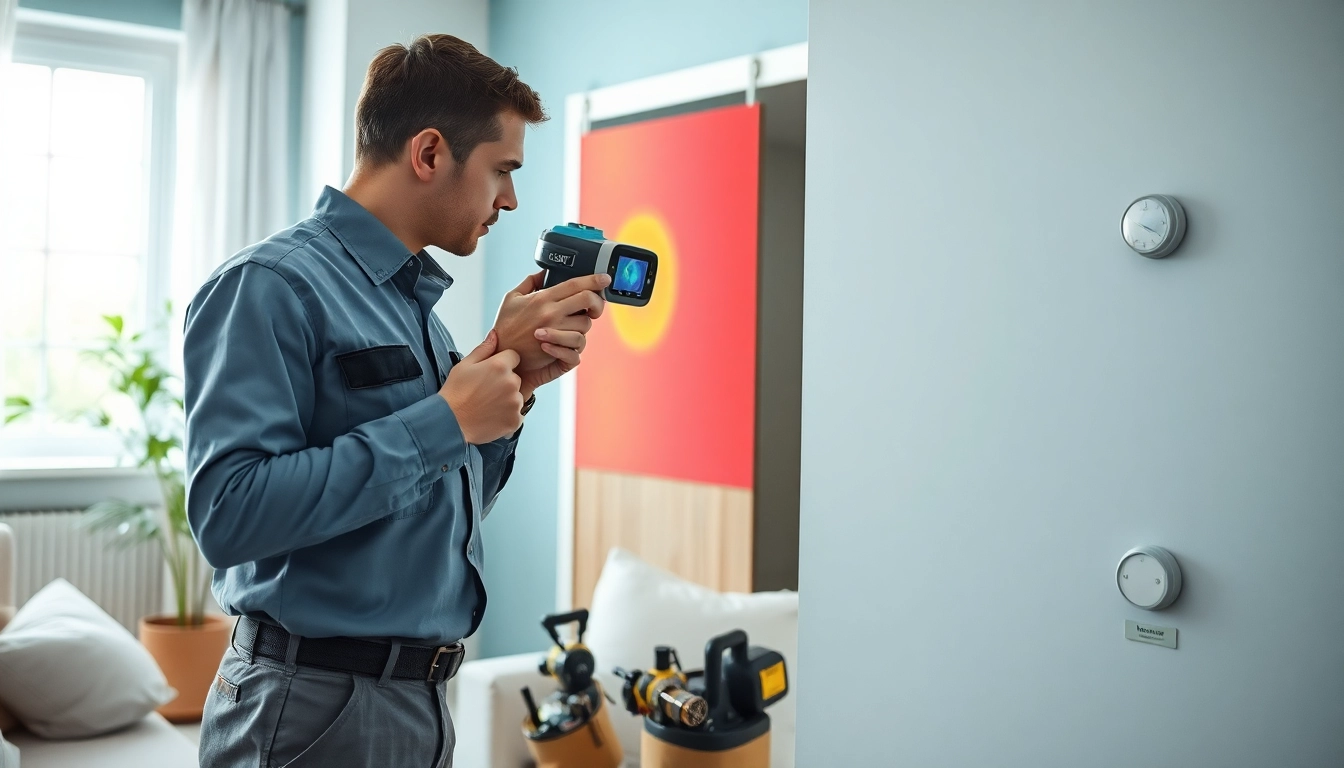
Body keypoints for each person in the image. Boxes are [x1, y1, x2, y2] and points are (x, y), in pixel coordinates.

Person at [183, 34, 606, 768]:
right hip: (309, 709)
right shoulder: (270, 286)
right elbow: (228, 514)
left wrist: (512, 379)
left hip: (419, 705)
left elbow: (434, 510)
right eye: (502, 169)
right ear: (431, 152)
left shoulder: (420, 313)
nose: (511, 199)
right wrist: (443, 421)